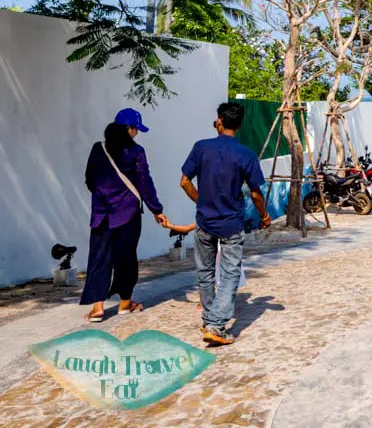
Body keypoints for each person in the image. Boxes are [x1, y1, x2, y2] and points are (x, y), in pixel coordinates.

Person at [180, 102, 270, 347]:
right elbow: (255, 194)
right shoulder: (246, 155)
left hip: (204, 221)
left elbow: (185, 181)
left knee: (205, 273)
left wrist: (202, 201)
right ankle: (216, 326)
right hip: (231, 224)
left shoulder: (201, 148)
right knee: (229, 275)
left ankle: (209, 319)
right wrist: (264, 216)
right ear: (239, 125)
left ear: (219, 121)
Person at [81, 109, 169, 322]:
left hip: (101, 214)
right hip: (128, 214)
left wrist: (104, 197)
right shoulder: (136, 151)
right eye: (136, 129)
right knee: (126, 257)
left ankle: (98, 308)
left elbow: (89, 178)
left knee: (99, 257)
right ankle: (124, 304)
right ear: (129, 129)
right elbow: (144, 183)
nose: (137, 133)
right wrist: (157, 210)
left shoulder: (98, 148)